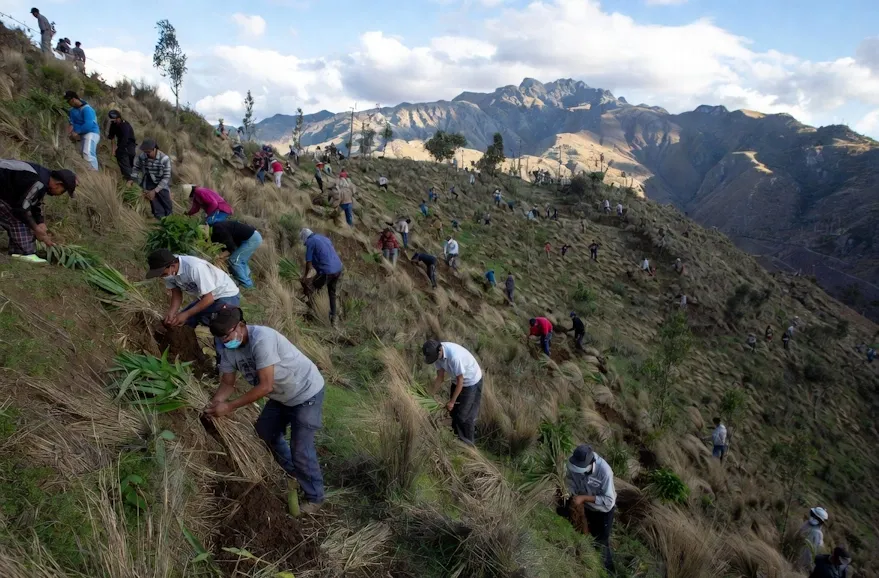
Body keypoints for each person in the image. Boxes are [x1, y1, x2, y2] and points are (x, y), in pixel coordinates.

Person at [206, 308, 326, 514]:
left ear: (241, 326)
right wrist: (215, 403)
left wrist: (230, 406)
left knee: (301, 448)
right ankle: (295, 472)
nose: (225, 340)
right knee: (265, 432)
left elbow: (265, 386)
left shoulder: (262, 338)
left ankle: (315, 497)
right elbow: (227, 382)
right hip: (282, 396)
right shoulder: (228, 349)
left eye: (227, 335)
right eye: (220, 337)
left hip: (306, 392)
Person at [0, 160, 76, 263]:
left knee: (21, 217)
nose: (61, 194)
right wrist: (36, 229)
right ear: (58, 184)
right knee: (16, 218)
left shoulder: (43, 179)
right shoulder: (38, 181)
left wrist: (40, 222)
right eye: (63, 191)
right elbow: (21, 209)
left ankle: (17, 250)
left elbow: (32, 203)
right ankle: (24, 252)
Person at [564, 444, 616, 571]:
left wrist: (584, 498)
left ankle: (608, 571)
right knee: (584, 533)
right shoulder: (574, 462)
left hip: (602, 511)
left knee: (601, 542)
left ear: (590, 463)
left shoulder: (605, 472)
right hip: (584, 508)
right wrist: (572, 494)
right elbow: (570, 481)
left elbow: (609, 501)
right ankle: (588, 560)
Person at [423, 339, 483, 445]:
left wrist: (451, 402)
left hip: (471, 381)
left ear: (440, 351)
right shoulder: (436, 355)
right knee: (454, 413)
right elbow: (440, 378)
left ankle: (469, 446)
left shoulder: (454, 357)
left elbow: (461, 380)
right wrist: (429, 395)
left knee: (464, 416)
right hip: (457, 381)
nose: (434, 360)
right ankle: (458, 439)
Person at [299, 228, 343, 325]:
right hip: (338, 269)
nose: (305, 245)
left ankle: (313, 311)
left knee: (312, 288)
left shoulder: (310, 241)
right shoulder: (324, 238)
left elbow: (309, 264)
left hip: (327, 271)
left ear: (304, 238)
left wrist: (305, 277)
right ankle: (333, 317)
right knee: (332, 293)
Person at [211, 220, 262, 289]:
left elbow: (231, 248)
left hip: (251, 239)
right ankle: (248, 279)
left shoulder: (219, 230)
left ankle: (248, 287)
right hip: (252, 237)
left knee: (235, 260)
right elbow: (228, 247)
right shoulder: (218, 228)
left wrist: (219, 257)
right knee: (240, 260)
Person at [129, 139, 172, 219]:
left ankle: (170, 220)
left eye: (148, 152)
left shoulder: (164, 159)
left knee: (167, 206)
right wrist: (132, 179)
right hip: (149, 182)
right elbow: (136, 168)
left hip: (161, 183)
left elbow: (166, 177)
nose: (146, 154)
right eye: (145, 152)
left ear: (154, 149)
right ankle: (160, 220)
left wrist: (155, 191)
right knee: (157, 208)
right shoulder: (143, 156)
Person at [64, 91, 100, 170]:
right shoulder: (72, 111)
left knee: (88, 153)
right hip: (82, 135)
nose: (68, 103)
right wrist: (68, 134)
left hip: (91, 133)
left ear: (73, 99)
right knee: (83, 154)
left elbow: (88, 125)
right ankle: (88, 173)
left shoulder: (87, 109)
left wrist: (77, 132)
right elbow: (72, 124)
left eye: (68, 101)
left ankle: (94, 175)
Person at [106, 110, 136, 181]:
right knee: (125, 165)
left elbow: (125, 139)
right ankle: (129, 180)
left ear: (119, 118)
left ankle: (130, 181)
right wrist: (113, 151)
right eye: (112, 120)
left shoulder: (124, 125)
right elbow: (112, 138)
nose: (114, 121)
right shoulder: (113, 124)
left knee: (126, 164)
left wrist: (119, 150)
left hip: (129, 145)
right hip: (122, 145)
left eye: (115, 119)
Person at [796, 507, 829, 572]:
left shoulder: (807, 523)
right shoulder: (818, 533)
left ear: (821, 521)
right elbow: (811, 552)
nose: (813, 517)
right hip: (803, 561)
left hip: (798, 555)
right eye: (813, 515)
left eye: (816, 517)